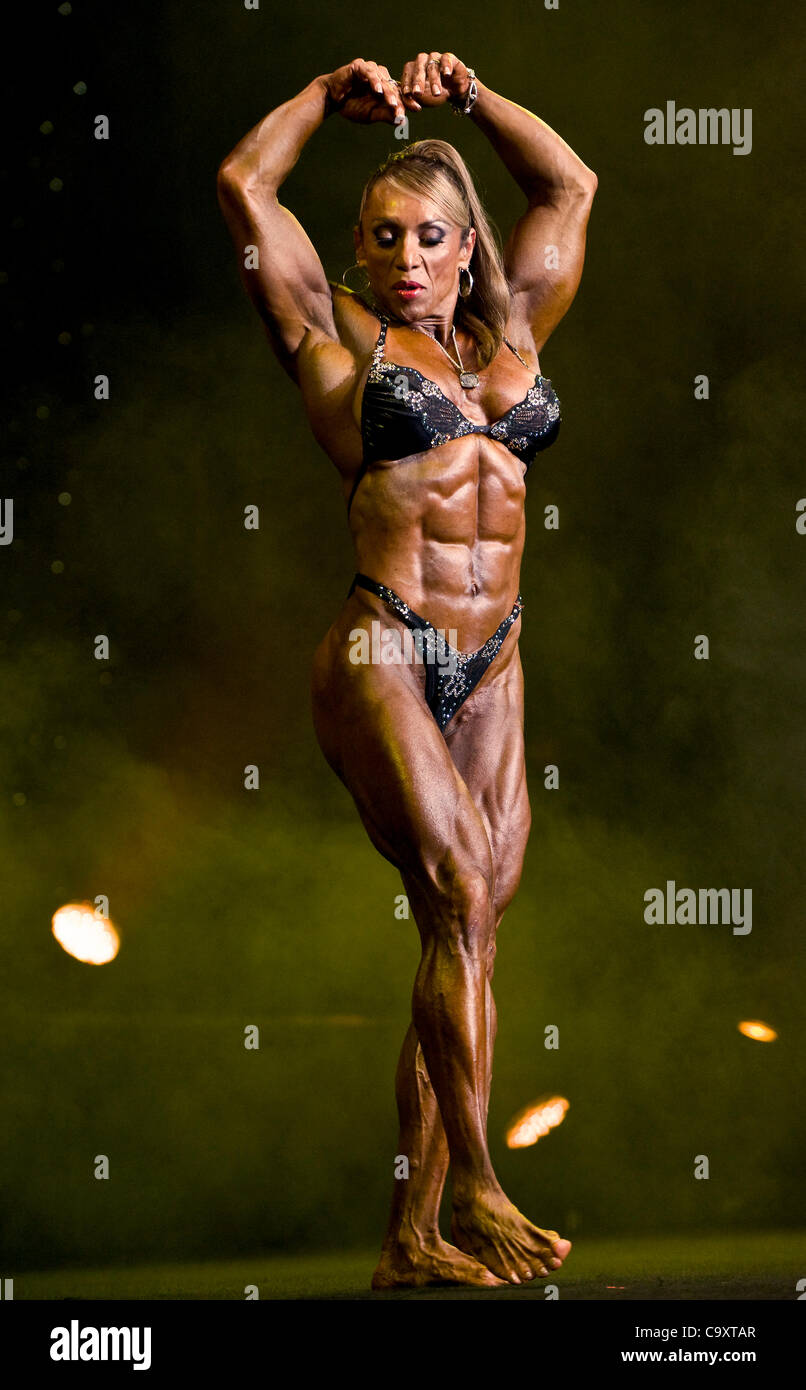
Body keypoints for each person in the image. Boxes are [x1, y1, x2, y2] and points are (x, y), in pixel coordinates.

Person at [217, 51, 596, 1289]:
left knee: (467, 931)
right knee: (449, 885)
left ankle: (410, 1238)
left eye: (430, 235)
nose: (407, 257)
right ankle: (481, 1185)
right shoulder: (335, 338)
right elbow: (242, 184)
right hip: (383, 638)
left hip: (495, 659)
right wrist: (326, 99)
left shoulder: (518, 332)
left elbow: (571, 186)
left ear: (464, 247)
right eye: (383, 238)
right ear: (360, 250)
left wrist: (474, 101)